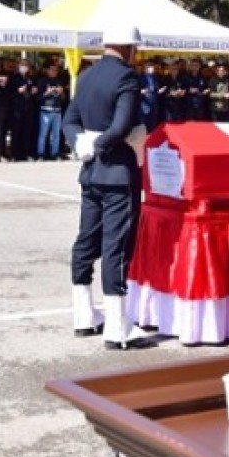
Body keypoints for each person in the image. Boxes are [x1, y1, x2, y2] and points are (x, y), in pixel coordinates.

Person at [63, 25, 153, 350]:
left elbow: (69, 120)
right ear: (127, 47)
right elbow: (121, 125)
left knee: (87, 239)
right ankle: (117, 328)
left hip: (91, 174)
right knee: (117, 244)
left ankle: (83, 316)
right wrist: (100, 143)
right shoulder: (127, 77)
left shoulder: (86, 76)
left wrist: (82, 143)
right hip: (117, 173)